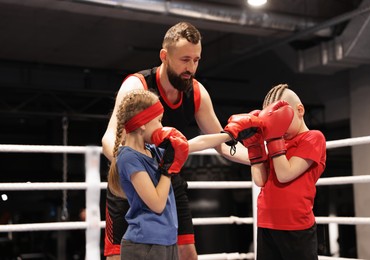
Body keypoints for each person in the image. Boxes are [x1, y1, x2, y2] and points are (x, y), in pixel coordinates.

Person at [101, 21, 249, 260]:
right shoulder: (137, 86)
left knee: (187, 254)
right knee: (119, 256)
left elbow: (220, 143)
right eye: (185, 59)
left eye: (197, 60)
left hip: (169, 176)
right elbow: (109, 138)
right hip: (131, 183)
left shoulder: (197, 92)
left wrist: (262, 156)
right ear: (165, 56)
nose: (191, 67)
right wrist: (136, 167)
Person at [107, 89, 233, 260]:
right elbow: (157, 204)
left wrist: (230, 135)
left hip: (166, 240)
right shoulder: (128, 158)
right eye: (158, 120)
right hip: (144, 244)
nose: (161, 126)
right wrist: (168, 170)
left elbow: (196, 143)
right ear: (143, 123)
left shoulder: (152, 150)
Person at [225, 83, 327, 259]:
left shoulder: (313, 138)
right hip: (266, 222)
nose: (278, 127)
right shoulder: (276, 142)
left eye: (282, 121)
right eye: (272, 123)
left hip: (296, 226)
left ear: (300, 110)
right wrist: (255, 146)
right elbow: (260, 180)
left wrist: (273, 137)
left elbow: (285, 174)